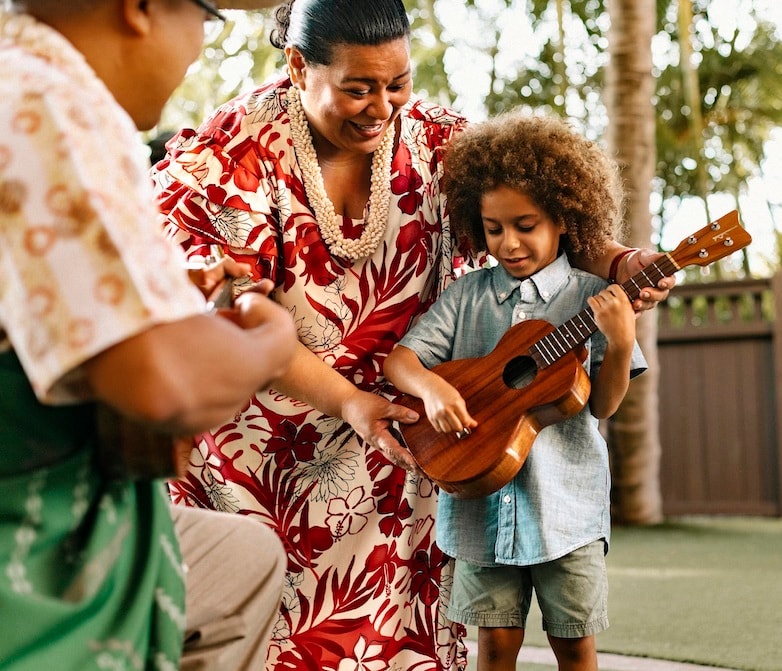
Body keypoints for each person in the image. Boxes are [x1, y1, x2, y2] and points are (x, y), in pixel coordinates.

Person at [152, 0, 672, 668]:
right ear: (296, 65)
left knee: (399, 638)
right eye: (358, 88)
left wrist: (620, 261)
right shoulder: (235, 155)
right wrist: (346, 400)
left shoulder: (442, 142)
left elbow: (535, 213)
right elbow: (227, 307)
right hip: (263, 459)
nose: (382, 106)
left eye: (398, 82)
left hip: (413, 436)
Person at [0, 0, 298, 669]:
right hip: (23, 540)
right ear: (139, 9)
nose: (198, 46)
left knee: (245, 559)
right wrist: (271, 343)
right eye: (208, 19)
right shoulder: (42, 102)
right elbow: (162, 383)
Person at [383, 112, 646, 671]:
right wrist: (430, 389)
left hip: (565, 511)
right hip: (479, 504)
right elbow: (400, 361)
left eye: (525, 225)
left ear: (564, 219)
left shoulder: (592, 296)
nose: (509, 242)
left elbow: (600, 405)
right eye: (494, 228)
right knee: (495, 646)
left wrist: (620, 344)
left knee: (574, 645)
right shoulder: (466, 297)